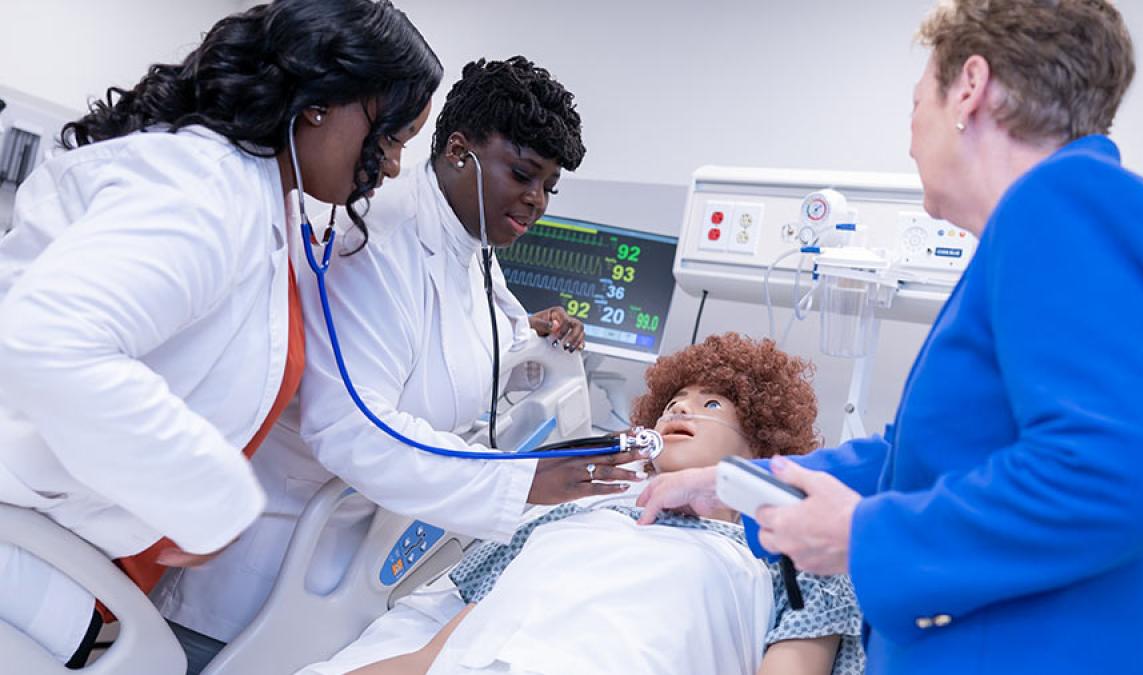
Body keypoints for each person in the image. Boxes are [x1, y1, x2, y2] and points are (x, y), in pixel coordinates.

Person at [638, 1, 1143, 673]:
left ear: (969, 87)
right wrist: (733, 484)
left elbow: (1117, 472)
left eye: (915, 106)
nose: (910, 140)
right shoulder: (1057, 223)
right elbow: (914, 460)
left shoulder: (1067, 201)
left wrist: (861, 535)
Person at [152, 56, 642, 674]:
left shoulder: (473, 244)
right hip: (259, 572)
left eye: (549, 186)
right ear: (459, 149)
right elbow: (356, 426)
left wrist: (525, 335)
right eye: (523, 174)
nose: (536, 199)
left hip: (347, 576)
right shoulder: (375, 242)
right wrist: (522, 480)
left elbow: (447, 340)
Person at [0, 0, 441, 667]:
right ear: (323, 102)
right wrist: (214, 498)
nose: (393, 166)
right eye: (393, 137)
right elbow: (47, 338)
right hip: (31, 563)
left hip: (68, 575)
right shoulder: (208, 188)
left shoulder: (260, 199)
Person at [297, 333, 863, 675]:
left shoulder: (797, 555)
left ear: (762, 447)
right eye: (672, 402)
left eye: (710, 405)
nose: (679, 413)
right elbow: (440, 652)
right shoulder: (570, 516)